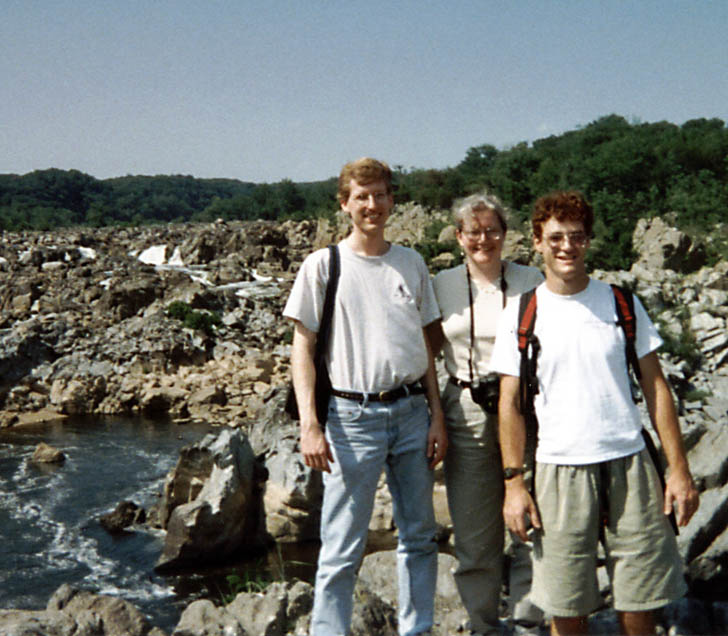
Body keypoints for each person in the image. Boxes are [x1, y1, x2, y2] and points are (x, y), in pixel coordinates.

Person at [490, 191, 699, 635]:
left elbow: (656, 386)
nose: (567, 247)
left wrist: (678, 469)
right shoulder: (522, 313)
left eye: (577, 237)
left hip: (630, 463)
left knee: (640, 597)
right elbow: (509, 405)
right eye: (557, 237)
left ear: (589, 241)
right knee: (566, 604)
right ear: (538, 242)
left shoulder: (622, 304)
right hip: (558, 468)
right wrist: (514, 485)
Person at [283, 157, 447, 636]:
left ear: (391, 199)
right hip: (351, 418)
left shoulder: (411, 263)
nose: (372, 205)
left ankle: (416, 629)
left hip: (413, 411)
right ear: (345, 204)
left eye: (380, 195)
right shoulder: (323, 265)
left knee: (419, 537)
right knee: (340, 544)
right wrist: (310, 425)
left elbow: (427, 349)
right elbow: (303, 347)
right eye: (362, 196)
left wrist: (437, 416)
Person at [427, 193, 544, 635]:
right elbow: (427, 354)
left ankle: (530, 620)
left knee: (532, 521)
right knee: (475, 533)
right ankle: (484, 625)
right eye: (473, 231)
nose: (483, 239)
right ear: (458, 237)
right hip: (467, 409)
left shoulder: (533, 279)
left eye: (492, 230)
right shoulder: (441, 284)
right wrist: (435, 413)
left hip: (528, 410)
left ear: (505, 234)